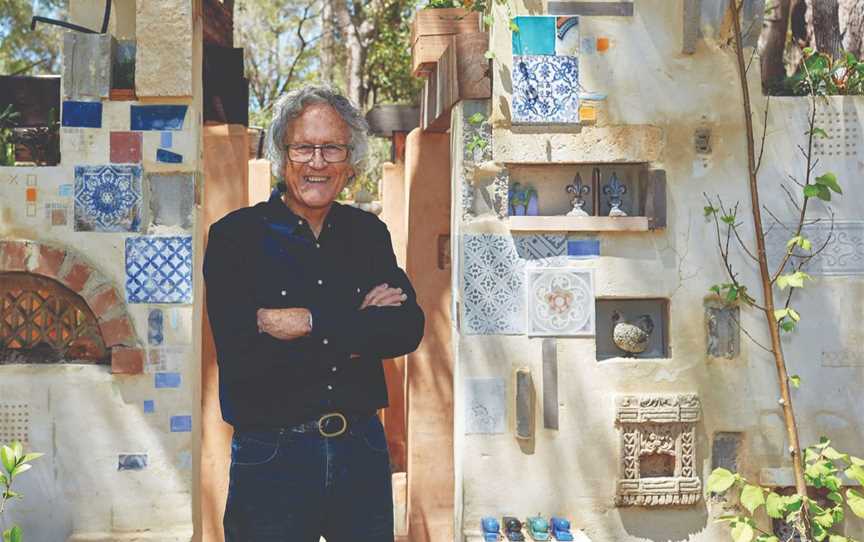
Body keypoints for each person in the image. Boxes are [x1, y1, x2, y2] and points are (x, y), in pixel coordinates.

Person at [203, 85, 425, 542]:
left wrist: (308, 322)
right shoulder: (235, 238)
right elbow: (242, 354)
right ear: (282, 155)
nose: (318, 163)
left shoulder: (368, 234)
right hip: (271, 454)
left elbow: (405, 329)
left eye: (332, 148)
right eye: (304, 147)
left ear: (350, 160)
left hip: (360, 448)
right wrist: (357, 323)